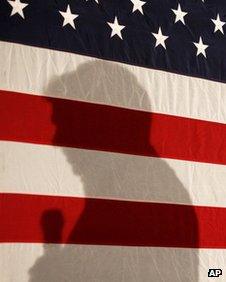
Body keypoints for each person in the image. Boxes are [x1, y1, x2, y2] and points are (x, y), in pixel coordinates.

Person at [29, 60, 199, 281]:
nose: (57, 140)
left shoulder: (137, 195)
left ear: (98, 125)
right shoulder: (128, 185)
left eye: (66, 125)